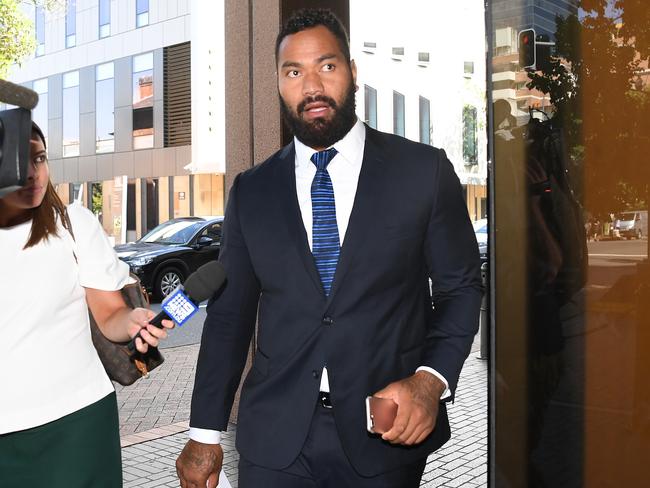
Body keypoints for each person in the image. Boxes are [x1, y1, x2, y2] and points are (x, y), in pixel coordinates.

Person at [176, 8, 481, 488]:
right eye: (294, 72)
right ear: (279, 83)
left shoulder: (422, 172)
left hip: (383, 434)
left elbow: (461, 289)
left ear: (353, 72)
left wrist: (429, 380)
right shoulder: (252, 191)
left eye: (327, 66)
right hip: (274, 441)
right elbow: (230, 317)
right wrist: (204, 432)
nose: (311, 86)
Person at [0, 122, 174, 487]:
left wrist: (132, 322)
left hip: (76, 423)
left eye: (40, 158)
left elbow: (110, 313)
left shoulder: (72, 224)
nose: (33, 173)